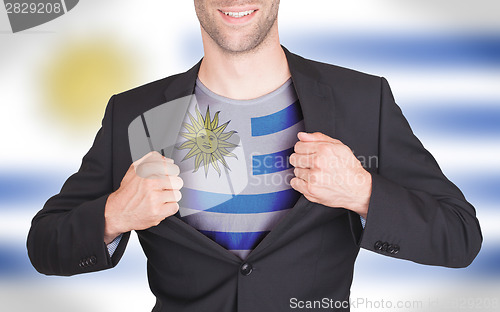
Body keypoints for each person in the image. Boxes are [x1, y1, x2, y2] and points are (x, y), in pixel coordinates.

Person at [27, 1, 482, 311]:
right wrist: (114, 214)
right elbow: (45, 245)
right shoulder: (137, 113)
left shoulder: (362, 100)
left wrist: (363, 192)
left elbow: (460, 237)